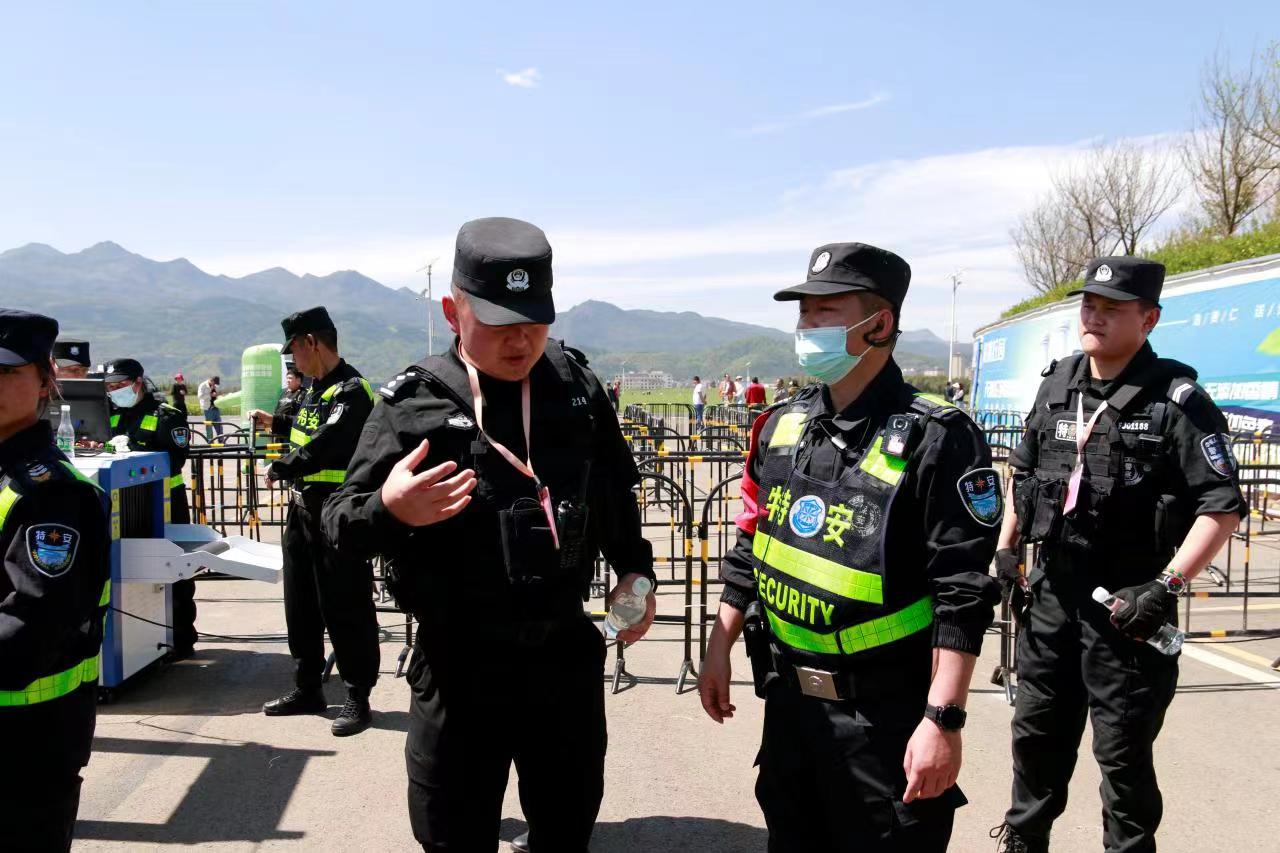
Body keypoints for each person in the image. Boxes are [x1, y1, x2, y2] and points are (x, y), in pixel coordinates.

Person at [322, 217, 656, 853]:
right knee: (452, 833)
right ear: (454, 312)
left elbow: (615, 497)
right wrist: (390, 509)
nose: (520, 340)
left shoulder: (577, 389)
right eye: (500, 323)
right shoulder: (413, 403)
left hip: (561, 658)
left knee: (567, 826)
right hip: (459, 665)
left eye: (535, 320)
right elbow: (338, 522)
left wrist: (635, 574)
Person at [698, 242, 1000, 852]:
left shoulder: (939, 438)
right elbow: (752, 542)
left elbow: (962, 593)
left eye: (826, 312)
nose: (807, 326)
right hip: (791, 708)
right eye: (804, 312)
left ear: (879, 325)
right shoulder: (782, 425)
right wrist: (718, 645)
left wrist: (943, 721)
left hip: (886, 719)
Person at [991, 257, 1245, 853]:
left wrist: (1166, 588)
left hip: (1128, 607)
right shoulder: (1057, 384)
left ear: (1148, 319)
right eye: (1089, 306)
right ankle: (1023, 843)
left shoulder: (1178, 401)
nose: (1095, 317)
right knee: (1035, 742)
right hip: (1052, 598)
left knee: (1124, 761)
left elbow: (1222, 507)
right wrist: (1006, 548)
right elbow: (1023, 473)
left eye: (1112, 309)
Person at [0, 309, 111, 852]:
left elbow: (28, 629)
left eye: (7, 373)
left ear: (45, 381)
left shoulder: (54, 495)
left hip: (26, 744)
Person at [248, 306, 380, 736]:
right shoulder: (314, 389)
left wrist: (281, 466)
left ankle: (358, 696)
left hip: (337, 512)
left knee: (345, 605)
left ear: (312, 343)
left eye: (294, 351)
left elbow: (330, 440)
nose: (293, 361)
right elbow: (308, 426)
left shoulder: (352, 389)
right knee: (300, 605)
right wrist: (278, 423)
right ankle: (307, 688)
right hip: (302, 509)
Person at [103, 358, 196, 657]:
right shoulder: (109, 415)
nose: (115, 391)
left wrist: (134, 451)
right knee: (136, 569)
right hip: (125, 505)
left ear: (138, 383)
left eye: (120, 385)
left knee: (175, 569)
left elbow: (177, 459)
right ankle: (142, 642)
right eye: (110, 387)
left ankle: (182, 638)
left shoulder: (167, 415)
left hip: (167, 503)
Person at [270, 367, 307, 442]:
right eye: (287, 378)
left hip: (291, 432)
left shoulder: (304, 394)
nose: (287, 381)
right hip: (278, 431)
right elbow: (277, 409)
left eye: (290, 378)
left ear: (298, 380)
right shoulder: (284, 392)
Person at [197, 375, 223, 441]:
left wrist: (220, 396)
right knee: (209, 426)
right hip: (208, 408)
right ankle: (210, 441)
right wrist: (210, 394)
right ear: (211, 381)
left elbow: (217, 394)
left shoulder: (215, 386)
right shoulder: (203, 385)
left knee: (219, 424)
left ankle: (221, 440)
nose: (215, 385)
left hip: (216, 407)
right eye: (214, 383)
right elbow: (200, 396)